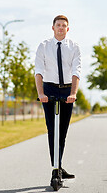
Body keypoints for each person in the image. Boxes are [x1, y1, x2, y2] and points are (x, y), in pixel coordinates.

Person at [34, 15, 81, 187]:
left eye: (64, 25)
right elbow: (38, 71)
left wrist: (73, 93)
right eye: (58, 25)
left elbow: (76, 71)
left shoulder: (74, 47)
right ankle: (56, 169)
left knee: (62, 131)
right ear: (53, 28)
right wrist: (41, 93)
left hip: (67, 90)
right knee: (52, 130)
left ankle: (58, 166)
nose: (61, 28)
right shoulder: (44, 46)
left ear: (67, 29)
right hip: (49, 89)